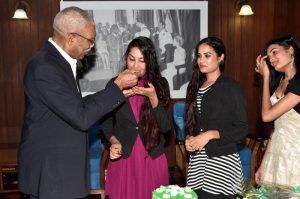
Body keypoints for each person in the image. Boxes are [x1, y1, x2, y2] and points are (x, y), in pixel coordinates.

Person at [18, 7, 138, 199]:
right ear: (71, 38)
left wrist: (117, 93)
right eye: (90, 40)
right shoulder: (45, 67)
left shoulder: (58, 62)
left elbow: (75, 106)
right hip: (52, 174)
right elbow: (81, 117)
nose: (92, 46)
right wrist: (116, 86)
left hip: (60, 172)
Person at [101, 36, 172, 199]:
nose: (135, 65)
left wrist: (153, 97)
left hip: (151, 157)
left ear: (150, 62)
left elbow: (166, 127)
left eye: (142, 60)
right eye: (132, 59)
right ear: (126, 58)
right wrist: (113, 141)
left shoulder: (160, 84)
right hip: (125, 158)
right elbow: (106, 123)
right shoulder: (115, 83)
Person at [184, 37, 248, 199]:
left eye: (207, 55)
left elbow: (242, 129)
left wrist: (211, 134)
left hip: (222, 161)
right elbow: (196, 124)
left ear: (221, 57)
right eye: (199, 56)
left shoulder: (231, 87)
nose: (201, 60)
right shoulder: (196, 86)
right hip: (198, 161)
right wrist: (190, 138)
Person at [254, 35, 300, 189]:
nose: (271, 58)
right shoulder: (281, 81)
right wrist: (263, 164)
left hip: (295, 153)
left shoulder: (299, 81)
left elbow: (266, 116)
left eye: (275, 52)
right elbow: (276, 128)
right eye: (269, 55)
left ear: (291, 50)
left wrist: (265, 77)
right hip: (277, 152)